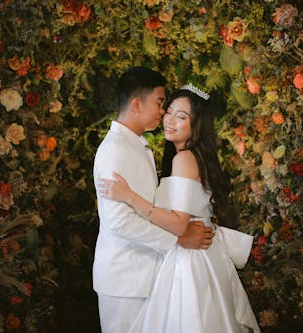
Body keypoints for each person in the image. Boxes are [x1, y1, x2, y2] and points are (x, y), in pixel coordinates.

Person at [98, 84, 261, 332]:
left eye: (181, 116)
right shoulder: (189, 157)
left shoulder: (184, 158)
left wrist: (129, 196)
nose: (170, 120)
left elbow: (178, 224)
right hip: (193, 256)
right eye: (168, 111)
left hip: (190, 260)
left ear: (197, 126)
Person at [92, 67, 215, 333]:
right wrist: (178, 240)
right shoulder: (116, 150)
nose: (163, 113)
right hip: (126, 279)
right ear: (136, 104)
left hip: (147, 275)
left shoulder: (138, 144)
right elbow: (119, 222)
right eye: (161, 104)